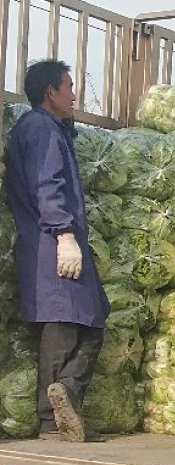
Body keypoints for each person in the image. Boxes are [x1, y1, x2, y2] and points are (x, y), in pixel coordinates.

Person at [4, 60, 109, 443]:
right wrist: (64, 234)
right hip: (52, 243)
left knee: (79, 319)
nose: (74, 94)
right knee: (68, 325)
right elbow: (48, 185)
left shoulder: (47, 129)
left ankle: (56, 413)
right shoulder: (42, 130)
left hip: (46, 241)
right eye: (69, 86)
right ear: (51, 91)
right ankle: (55, 410)